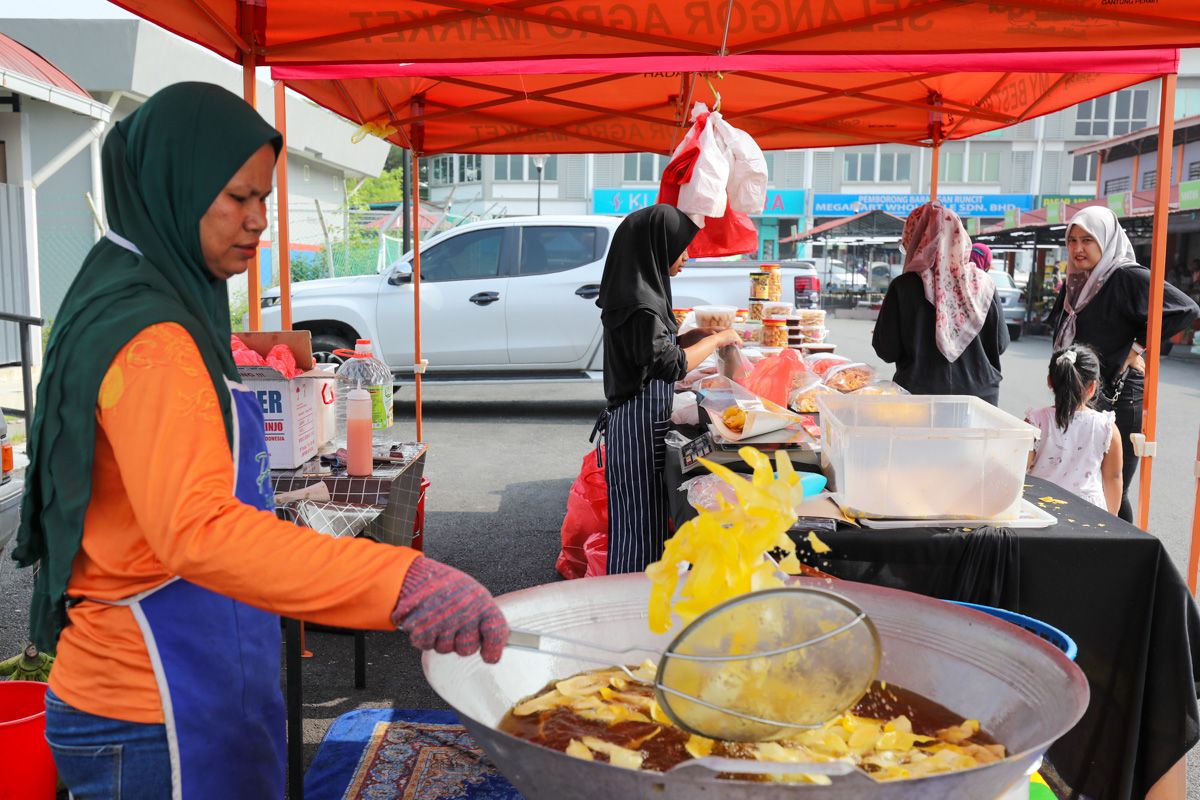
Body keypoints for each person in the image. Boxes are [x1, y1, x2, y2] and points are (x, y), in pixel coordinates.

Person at [11, 83, 508, 799]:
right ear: (176, 189)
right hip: (152, 704)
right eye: (237, 198)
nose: (258, 222)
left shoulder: (145, 290)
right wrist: (397, 580)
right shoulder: (152, 340)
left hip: (186, 678)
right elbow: (198, 530)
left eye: (265, 200)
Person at [593, 204, 742, 574]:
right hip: (635, 426)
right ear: (657, 247)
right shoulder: (638, 303)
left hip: (642, 421)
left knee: (646, 525)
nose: (687, 256)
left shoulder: (640, 291)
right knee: (638, 531)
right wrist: (722, 336)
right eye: (682, 247)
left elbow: (659, 349)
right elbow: (671, 364)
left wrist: (696, 335)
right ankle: (629, 611)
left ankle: (642, 607)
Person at [1048, 206, 1199, 523]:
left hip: (1119, 394)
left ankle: (1125, 557)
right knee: (1082, 482)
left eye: (1087, 240)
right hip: (1081, 394)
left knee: (1112, 484)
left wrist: (1137, 347)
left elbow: (1184, 308)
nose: (1077, 248)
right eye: (1072, 240)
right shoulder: (1077, 282)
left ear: (1105, 239)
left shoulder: (1125, 275)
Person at [872, 202, 1009, 404]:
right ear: (958, 236)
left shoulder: (903, 287)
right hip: (979, 402)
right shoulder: (984, 284)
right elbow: (1000, 344)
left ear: (915, 239)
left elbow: (886, 350)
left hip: (919, 401)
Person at [1025, 345, 1122, 515]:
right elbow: (1113, 477)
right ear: (1092, 387)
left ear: (1050, 381)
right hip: (1088, 512)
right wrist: (1111, 519)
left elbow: (1018, 469)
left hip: (1040, 508)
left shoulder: (1035, 421)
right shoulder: (1106, 427)